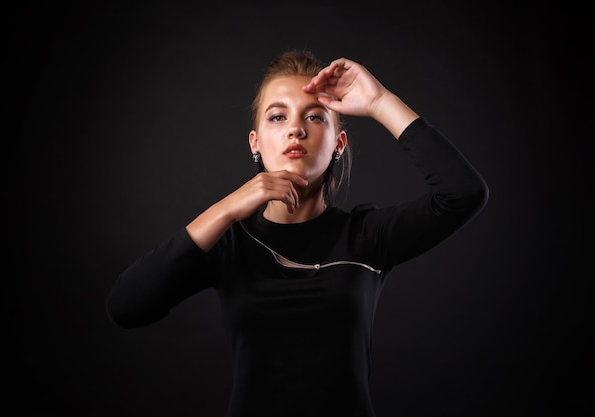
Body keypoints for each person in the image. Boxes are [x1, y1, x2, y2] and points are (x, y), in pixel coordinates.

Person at [106, 49, 489, 417]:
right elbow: (126, 306)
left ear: (339, 144)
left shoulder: (367, 236)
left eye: (316, 117)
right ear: (255, 143)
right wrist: (226, 209)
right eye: (277, 117)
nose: (295, 129)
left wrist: (379, 101)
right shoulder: (229, 243)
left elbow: (463, 193)